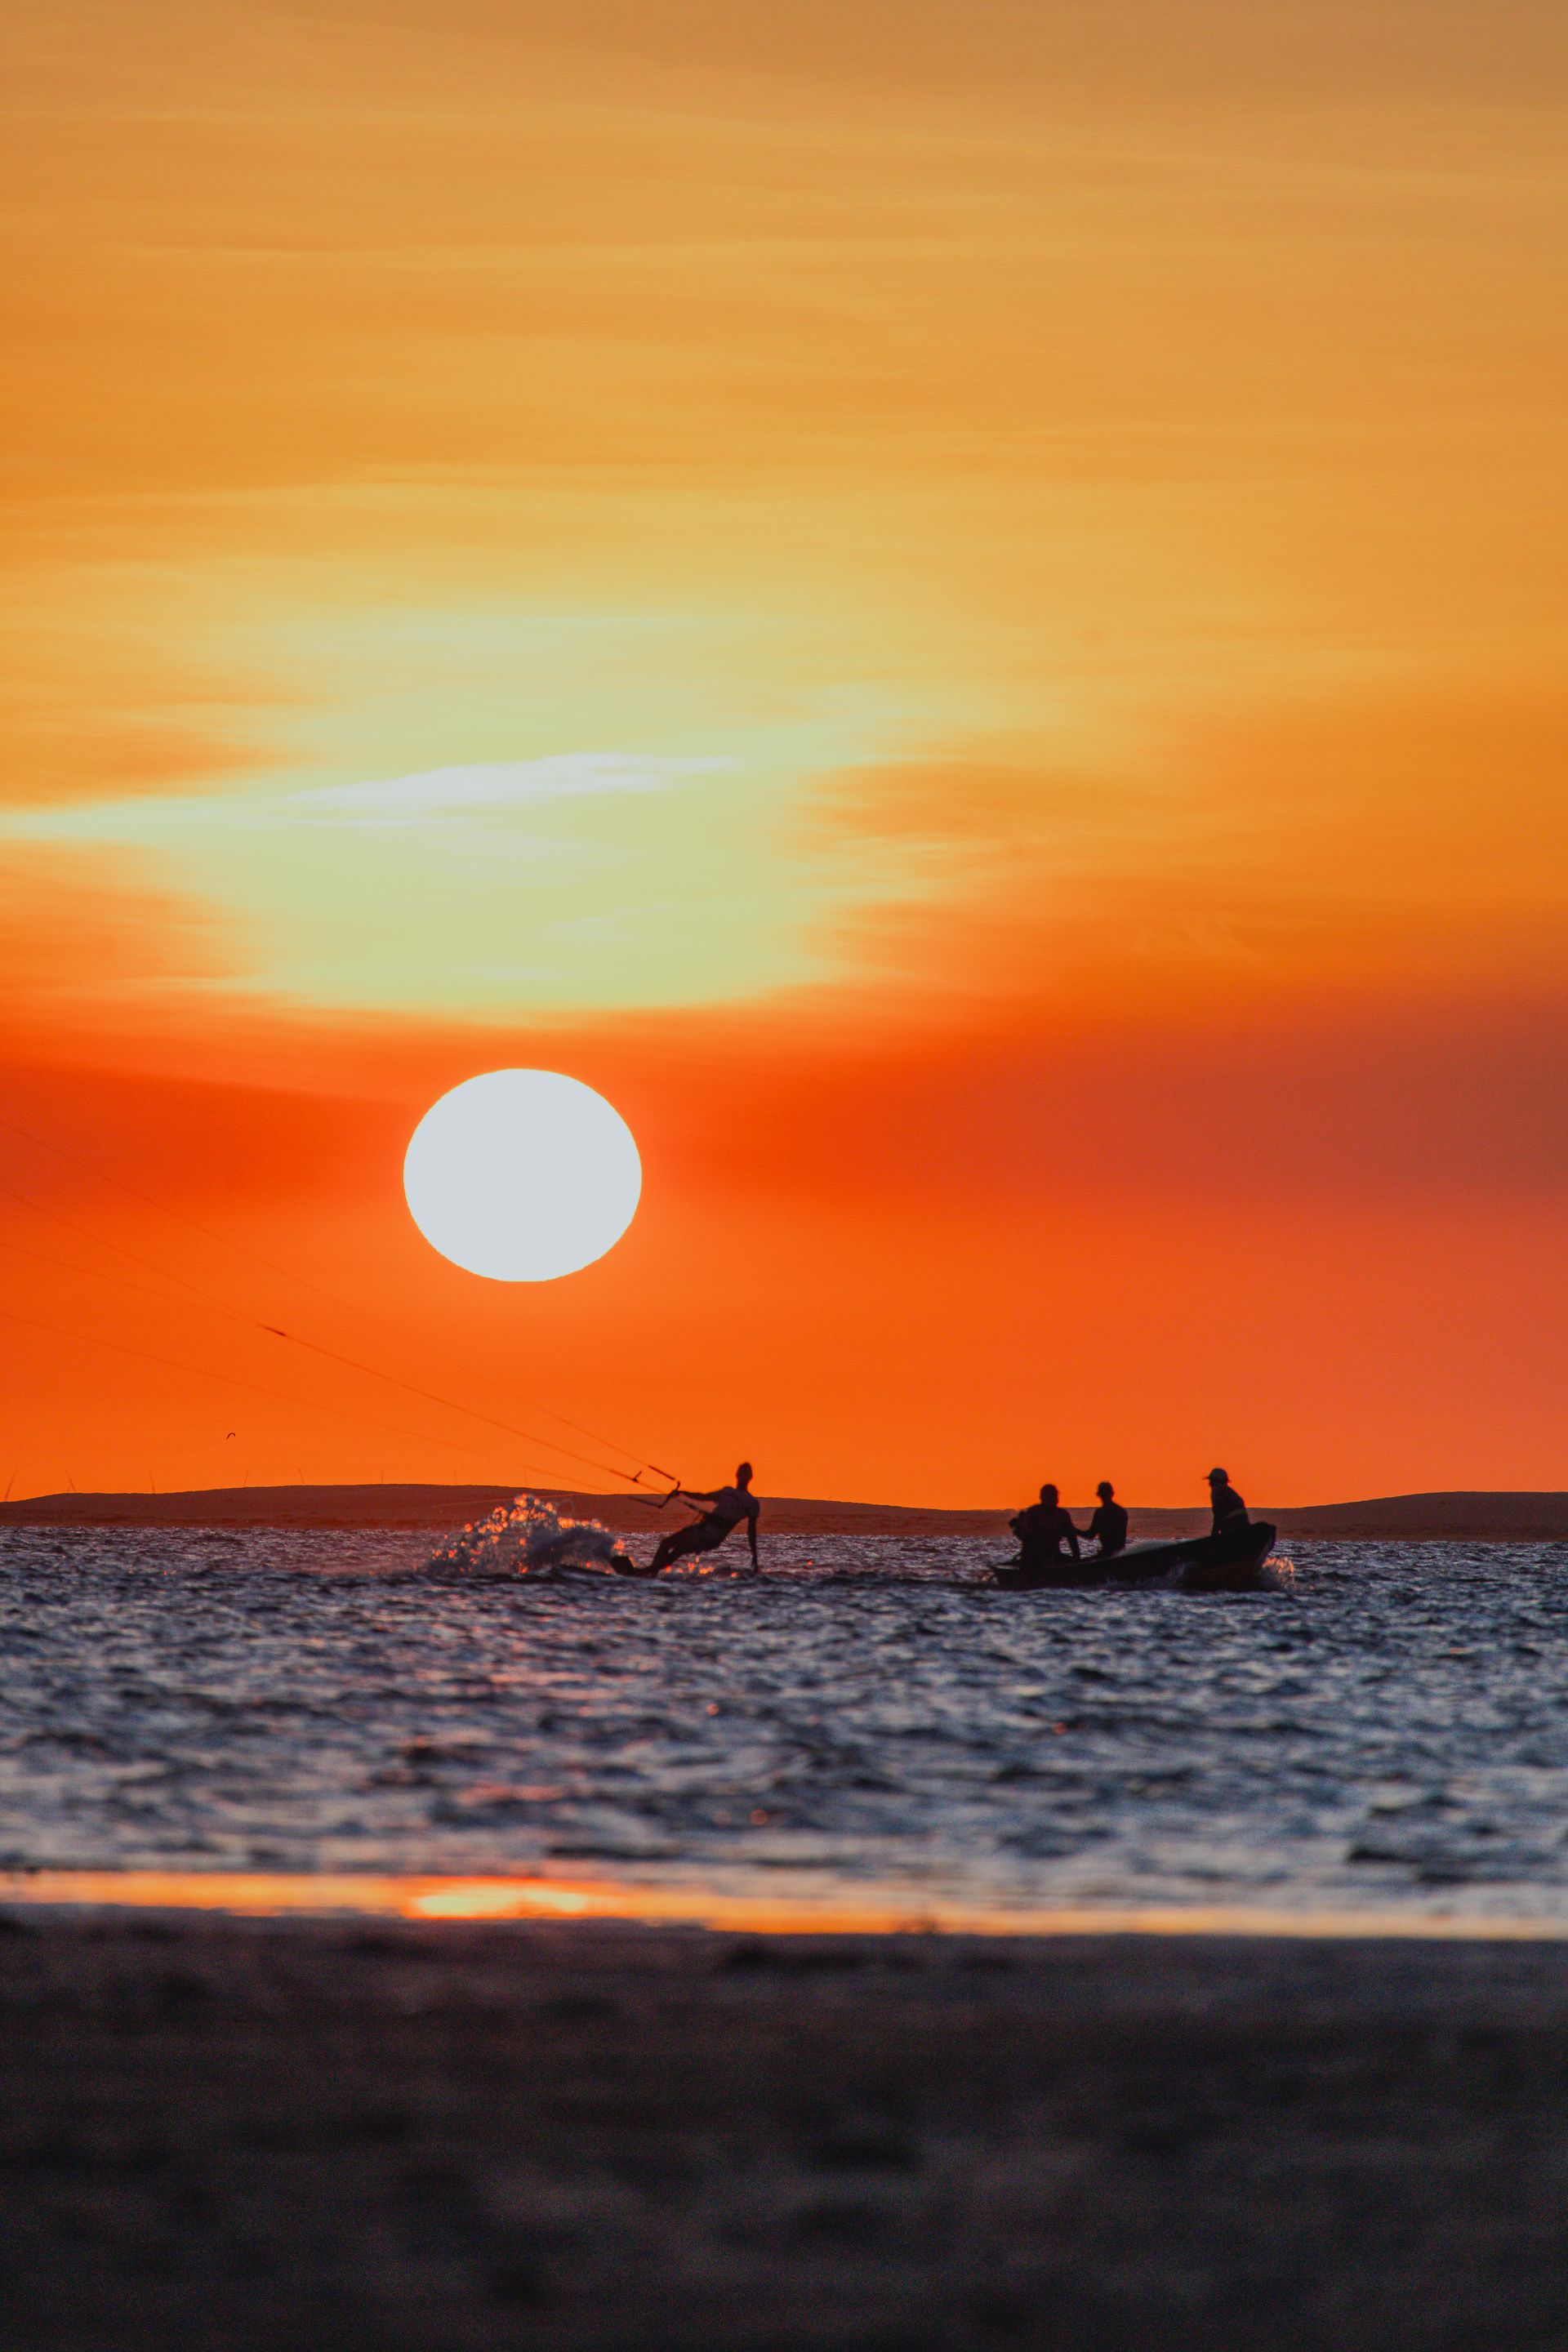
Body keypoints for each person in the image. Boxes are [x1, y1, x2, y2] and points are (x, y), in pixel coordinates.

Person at [635, 1463, 761, 1575]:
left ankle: (645, 1572)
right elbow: (703, 1497)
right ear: (737, 1474)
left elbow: (751, 1530)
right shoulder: (727, 1491)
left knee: (680, 1549)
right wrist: (683, 1493)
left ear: (751, 1477)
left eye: (746, 1473)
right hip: (702, 1528)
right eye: (742, 1472)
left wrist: (754, 1556)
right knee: (666, 1543)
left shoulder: (751, 1502)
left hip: (714, 1535)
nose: (743, 1475)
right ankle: (651, 1576)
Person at [1007, 1483, 1081, 1579]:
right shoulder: (1033, 1513)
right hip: (1032, 1558)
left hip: (1054, 1556)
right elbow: (1026, 1538)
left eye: (1055, 1496)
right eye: (1050, 1496)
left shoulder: (1062, 1515)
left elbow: (1072, 1538)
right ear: (1042, 1497)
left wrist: (1077, 1559)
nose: (1053, 1499)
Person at [1084, 1480, 1128, 1559]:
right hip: (1108, 1554)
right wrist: (1073, 1530)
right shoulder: (1100, 1513)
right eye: (1104, 1494)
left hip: (1116, 1554)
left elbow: (1090, 1535)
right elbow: (1090, 1535)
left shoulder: (1119, 1512)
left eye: (1106, 1493)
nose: (1105, 1496)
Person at [1207, 1466, 1250, 1537]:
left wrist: (1214, 1533)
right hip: (1243, 1527)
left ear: (1215, 1481)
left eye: (1211, 1480)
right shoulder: (1230, 1492)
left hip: (1232, 1528)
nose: (1209, 1483)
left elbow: (1218, 1512)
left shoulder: (1217, 1491)